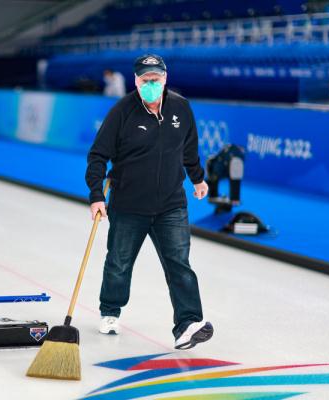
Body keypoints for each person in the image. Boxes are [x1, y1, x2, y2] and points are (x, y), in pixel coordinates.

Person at [85, 54, 213, 350]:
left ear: (165, 79)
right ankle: (110, 310)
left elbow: (189, 149)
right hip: (129, 205)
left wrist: (197, 178)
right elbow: (98, 156)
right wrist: (96, 195)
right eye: (145, 81)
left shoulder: (181, 107)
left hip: (171, 204)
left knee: (179, 264)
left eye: (156, 80)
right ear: (136, 81)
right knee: (119, 262)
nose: (151, 85)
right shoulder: (122, 111)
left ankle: (188, 324)